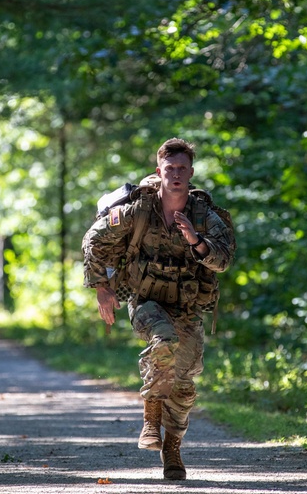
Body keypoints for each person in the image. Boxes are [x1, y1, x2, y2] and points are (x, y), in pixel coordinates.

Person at [82, 137, 234, 480]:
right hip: (145, 301)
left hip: (186, 306)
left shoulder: (204, 216)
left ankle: (172, 447)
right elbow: (94, 240)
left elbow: (223, 260)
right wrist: (101, 288)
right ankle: (151, 417)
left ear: (191, 172)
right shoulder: (137, 209)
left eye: (182, 168)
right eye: (170, 169)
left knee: (184, 383)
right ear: (159, 171)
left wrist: (195, 239)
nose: (176, 174)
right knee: (163, 341)